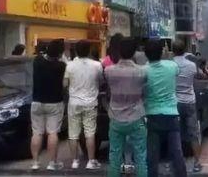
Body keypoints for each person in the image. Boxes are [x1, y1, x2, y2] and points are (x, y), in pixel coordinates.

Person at [105, 38, 148, 177]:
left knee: (114, 156)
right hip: (136, 117)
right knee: (140, 156)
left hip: (116, 117)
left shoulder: (109, 71)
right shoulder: (142, 72)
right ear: (134, 52)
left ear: (119, 51)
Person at [144, 39, 187, 177]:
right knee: (176, 152)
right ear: (162, 52)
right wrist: (167, 56)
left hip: (152, 114)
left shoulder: (144, 70)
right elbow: (176, 69)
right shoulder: (172, 66)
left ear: (146, 54)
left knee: (152, 155)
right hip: (171, 114)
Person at [64, 40, 103, 169]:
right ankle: (91, 161)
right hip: (91, 102)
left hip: (74, 102)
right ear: (89, 51)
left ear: (76, 51)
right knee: (89, 133)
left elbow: (65, 84)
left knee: (73, 134)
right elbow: (101, 81)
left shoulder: (69, 65)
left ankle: (75, 161)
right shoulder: (97, 65)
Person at [30, 40, 66, 171]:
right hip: (54, 102)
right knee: (52, 133)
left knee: (37, 133)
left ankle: (35, 162)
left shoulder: (37, 61)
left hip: (37, 102)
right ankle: (52, 163)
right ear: (60, 54)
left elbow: (40, 55)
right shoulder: (61, 66)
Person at [173, 40, 203, 173]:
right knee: (194, 134)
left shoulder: (170, 65)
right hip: (190, 102)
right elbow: (199, 75)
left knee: (175, 134)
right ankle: (197, 163)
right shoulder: (191, 65)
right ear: (184, 49)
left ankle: (177, 163)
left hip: (175, 103)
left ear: (173, 50)